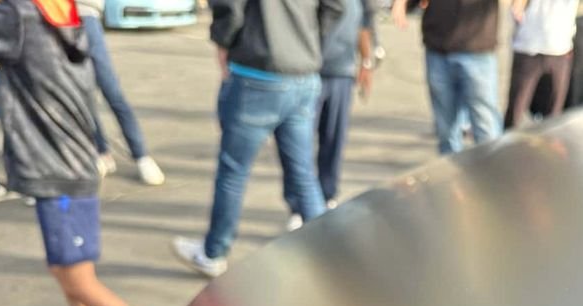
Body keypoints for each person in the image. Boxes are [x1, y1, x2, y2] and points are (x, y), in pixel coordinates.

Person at [0, 0, 157, 306]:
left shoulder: (15, 15)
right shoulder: (59, 10)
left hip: (59, 170)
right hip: (70, 161)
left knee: (78, 279)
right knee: (67, 268)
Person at [172, 0, 343, 278]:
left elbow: (230, 7)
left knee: (233, 173)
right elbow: (335, 6)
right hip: (302, 72)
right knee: (303, 173)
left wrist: (224, 42)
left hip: (257, 72)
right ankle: (328, 253)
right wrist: (308, 36)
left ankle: (214, 252)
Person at [285, 0, 376, 226]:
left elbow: (365, 19)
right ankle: (297, 206)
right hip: (306, 69)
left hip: (342, 70)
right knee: (298, 144)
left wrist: (366, 61)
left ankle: (327, 196)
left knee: (333, 138)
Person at [391, 0, 502, 154]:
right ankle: (452, 168)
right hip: (439, 47)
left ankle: (492, 167)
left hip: (477, 47)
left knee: (486, 126)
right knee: (446, 131)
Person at [75, 0, 165, 185]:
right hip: (58, 22)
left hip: (86, 16)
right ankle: (101, 152)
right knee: (82, 95)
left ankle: (141, 155)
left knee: (112, 92)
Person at [504, 0, 579, 128]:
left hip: (560, 49)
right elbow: (516, 7)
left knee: (554, 115)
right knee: (516, 111)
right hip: (528, 48)